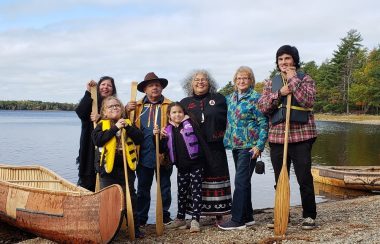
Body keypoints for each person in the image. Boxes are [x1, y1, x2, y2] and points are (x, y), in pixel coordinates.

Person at [257, 45, 317, 230]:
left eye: (287, 59)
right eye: (280, 59)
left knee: (304, 178)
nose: (284, 62)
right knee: (279, 179)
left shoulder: (305, 79)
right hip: (277, 139)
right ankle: (283, 213)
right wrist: (279, 94)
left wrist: (293, 81)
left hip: (301, 137)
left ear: (294, 61)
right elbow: (263, 107)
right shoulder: (271, 83)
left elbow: (308, 100)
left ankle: (309, 215)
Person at [218, 66, 268, 230]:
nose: (241, 81)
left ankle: (237, 220)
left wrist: (259, 146)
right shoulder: (230, 98)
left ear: (251, 80)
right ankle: (248, 216)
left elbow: (263, 124)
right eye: (238, 78)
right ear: (235, 81)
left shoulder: (256, 98)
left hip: (250, 147)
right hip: (235, 145)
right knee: (244, 181)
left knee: (240, 181)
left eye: (245, 78)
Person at [180, 70, 232, 224]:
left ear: (210, 83)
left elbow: (231, 118)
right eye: (197, 80)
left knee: (217, 177)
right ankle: (196, 214)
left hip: (216, 146)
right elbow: (176, 121)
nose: (200, 82)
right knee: (197, 180)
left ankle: (220, 213)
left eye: (204, 79)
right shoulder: (184, 102)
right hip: (194, 148)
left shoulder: (220, 99)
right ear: (191, 83)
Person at [92, 96, 144, 238]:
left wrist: (127, 126)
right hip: (108, 170)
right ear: (105, 112)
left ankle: (134, 228)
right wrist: (115, 128)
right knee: (109, 199)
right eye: (111, 106)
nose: (115, 108)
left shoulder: (128, 123)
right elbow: (98, 140)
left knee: (130, 198)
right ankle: (110, 230)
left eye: (117, 106)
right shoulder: (101, 125)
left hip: (126, 167)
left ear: (121, 110)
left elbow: (140, 138)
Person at [125, 72, 173, 226]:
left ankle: (164, 216)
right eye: (151, 85)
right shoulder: (136, 106)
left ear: (162, 88)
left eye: (157, 85)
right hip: (142, 154)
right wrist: (126, 110)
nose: (155, 88)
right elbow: (124, 123)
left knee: (164, 187)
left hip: (163, 154)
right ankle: (142, 218)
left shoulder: (170, 105)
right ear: (145, 89)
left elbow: (178, 121)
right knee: (143, 189)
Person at [155, 102, 207, 233]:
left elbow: (201, 140)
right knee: (182, 192)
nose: (177, 114)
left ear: (184, 113)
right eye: (174, 112)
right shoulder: (167, 130)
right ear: (169, 115)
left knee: (196, 192)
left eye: (179, 112)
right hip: (181, 167)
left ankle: (195, 220)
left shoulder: (192, 124)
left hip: (196, 164)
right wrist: (157, 136)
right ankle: (180, 218)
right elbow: (162, 149)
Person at [75, 76, 117, 191]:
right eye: (103, 84)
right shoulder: (91, 103)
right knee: (87, 183)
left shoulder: (115, 106)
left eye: (109, 85)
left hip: (107, 150)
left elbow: (118, 124)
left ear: (113, 89)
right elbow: (81, 112)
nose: (105, 87)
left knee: (106, 182)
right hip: (89, 149)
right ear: (98, 87)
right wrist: (88, 91)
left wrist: (102, 119)